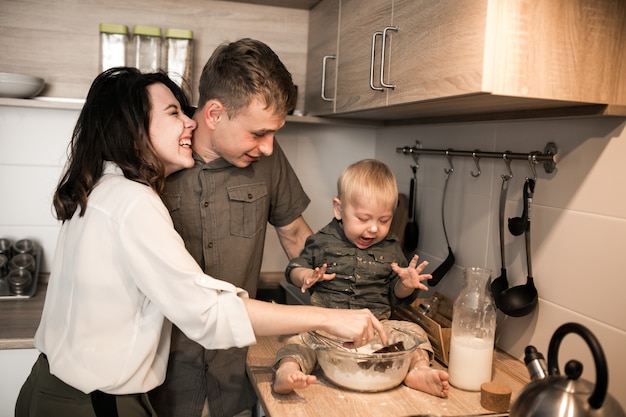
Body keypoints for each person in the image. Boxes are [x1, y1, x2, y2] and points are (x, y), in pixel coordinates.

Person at [14, 67, 386, 417]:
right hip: (94, 402)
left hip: (53, 388)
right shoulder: (132, 201)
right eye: (174, 112)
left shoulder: (101, 188)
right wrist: (330, 319)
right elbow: (209, 312)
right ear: (133, 128)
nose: (190, 121)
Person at [149, 39, 314, 417]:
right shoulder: (155, 154)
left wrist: (346, 300)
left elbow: (297, 237)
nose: (269, 147)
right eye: (258, 134)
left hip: (233, 381)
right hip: (163, 384)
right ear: (214, 114)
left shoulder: (266, 158)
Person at [272, 159, 450, 398]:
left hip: (376, 331)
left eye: (384, 220)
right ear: (339, 209)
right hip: (324, 332)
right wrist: (305, 276)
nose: (374, 229)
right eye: (363, 219)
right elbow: (295, 267)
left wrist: (405, 285)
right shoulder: (322, 241)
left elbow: (394, 295)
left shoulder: (391, 247)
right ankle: (287, 372)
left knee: (415, 332)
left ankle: (418, 370)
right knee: (296, 343)